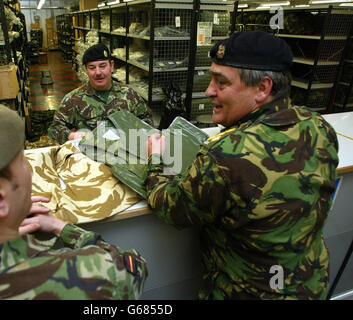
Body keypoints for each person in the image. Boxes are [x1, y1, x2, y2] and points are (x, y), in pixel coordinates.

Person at [145, 31, 339, 300]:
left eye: (221, 83)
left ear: (263, 88)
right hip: (310, 285)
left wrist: (158, 159)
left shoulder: (224, 155)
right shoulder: (318, 127)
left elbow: (171, 208)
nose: (209, 90)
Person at [0, 98, 148, 300]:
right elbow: (134, 267)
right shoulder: (94, 277)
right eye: (22, 161)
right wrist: (61, 227)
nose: (30, 170)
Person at [48, 43, 153, 144]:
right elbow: (54, 129)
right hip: (90, 158)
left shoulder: (129, 95)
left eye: (102, 66)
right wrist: (72, 136)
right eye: (92, 67)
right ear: (86, 70)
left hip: (124, 156)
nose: (98, 72)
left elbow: (147, 122)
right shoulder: (73, 99)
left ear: (111, 66)